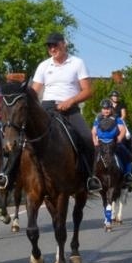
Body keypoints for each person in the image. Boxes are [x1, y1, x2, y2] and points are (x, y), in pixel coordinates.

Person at [30, 31, 101, 192]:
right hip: (47, 107)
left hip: (70, 108)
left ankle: (90, 177)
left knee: (87, 138)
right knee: (24, 138)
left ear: (64, 44)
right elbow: (34, 92)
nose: (52, 48)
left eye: (55, 45)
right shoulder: (44, 65)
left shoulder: (77, 63)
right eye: (49, 46)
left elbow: (88, 91)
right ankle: (13, 177)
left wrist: (71, 101)